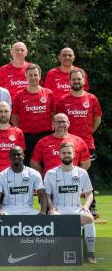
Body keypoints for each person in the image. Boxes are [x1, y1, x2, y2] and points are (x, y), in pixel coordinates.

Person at [56, 68, 102, 216]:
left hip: (87, 144)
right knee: (66, 176)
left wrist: (87, 133)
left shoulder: (92, 98)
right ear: (69, 81)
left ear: (84, 81)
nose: (76, 81)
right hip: (67, 144)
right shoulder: (63, 100)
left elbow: (97, 119)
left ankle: (91, 207)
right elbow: (59, 121)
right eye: (73, 79)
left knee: (88, 176)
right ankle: (61, 206)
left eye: (79, 79)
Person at [44, 142, 96, 263]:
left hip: (76, 208)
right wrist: (51, 207)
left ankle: (90, 253)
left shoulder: (82, 172)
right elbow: (47, 195)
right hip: (59, 209)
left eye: (69, 153)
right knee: (55, 219)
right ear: (59, 155)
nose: (66, 155)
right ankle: (56, 252)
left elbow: (89, 193)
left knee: (89, 219)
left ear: (74, 155)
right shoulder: (51, 173)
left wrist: (86, 207)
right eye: (64, 153)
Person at [10, 64, 55, 165]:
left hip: (45, 135)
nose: (33, 77)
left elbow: (53, 114)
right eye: (30, 75)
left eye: (35, 75)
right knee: (27, 163)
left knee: (45, 163)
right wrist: (21, 132)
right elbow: (14, 118)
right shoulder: (19, 95)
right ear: (26, 76)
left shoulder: (48, 93)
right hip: (26, 137)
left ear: (39, 76)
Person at [0, 146, 46, 215]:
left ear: (23, 156)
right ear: (9, 157)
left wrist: (43, 212)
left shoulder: (34, 174)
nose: (16, 157)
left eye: (18, 154)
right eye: (13, 155)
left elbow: (42, 195)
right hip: (8, 209)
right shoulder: (1, 176)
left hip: (29, 209)